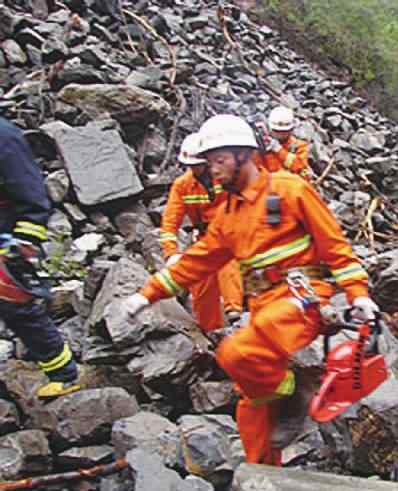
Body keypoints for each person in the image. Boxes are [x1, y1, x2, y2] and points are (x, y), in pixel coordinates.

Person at [122, 114, 378, 466]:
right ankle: (263, 471)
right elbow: (195, 262)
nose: (213, 170)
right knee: (253, 401)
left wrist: (357, 293)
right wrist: (146, 295)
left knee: (236, 352)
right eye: (209, 162)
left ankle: (296, 391)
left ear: (244, 155)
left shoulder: (290, 189)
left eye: (219, 160)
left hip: (301, 299)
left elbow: (335, 247)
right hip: (262, 306)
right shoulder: (227, 216)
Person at [0, 117, 80, 399]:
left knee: (19, 311)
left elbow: (32, 194)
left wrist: (25, 240)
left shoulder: (5, 137)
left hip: (6, 239)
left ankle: (64, 374)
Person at [160, 133, 243, 333]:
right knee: (201, 284)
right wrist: (171, 252)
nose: (194, 168)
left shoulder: (226, 176)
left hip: (231, 231)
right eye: (191, 165)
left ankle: (235, 311)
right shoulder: (183, 185)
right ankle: (211, 331)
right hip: (205, 236)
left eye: (198, 164)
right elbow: (170, 220)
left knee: (226, 264)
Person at [256, 105, 311, 180]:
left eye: (284, 131)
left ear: (291, 129)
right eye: (277, 131)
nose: (280, 134)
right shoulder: (263, 144)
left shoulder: (300, 146)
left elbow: (300, 168)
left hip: (290, 186)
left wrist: (279, 150)